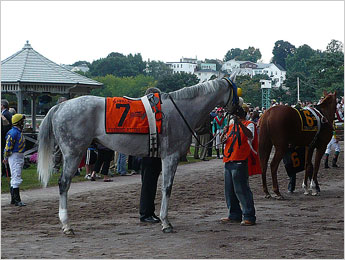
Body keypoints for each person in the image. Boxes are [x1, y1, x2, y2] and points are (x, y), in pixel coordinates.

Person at [220, 105, 258, 226]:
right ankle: (234, 214)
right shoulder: (230, 126)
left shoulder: (249, 124)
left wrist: (240, 124)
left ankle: (249, 216)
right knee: (229, 191)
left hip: (240, 159)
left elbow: (250, 135)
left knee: (242, 189)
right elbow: (223, 141)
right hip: (229, 159)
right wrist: (223, 134)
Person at [139, 87, 163, 224]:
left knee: (149, 183)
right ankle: (146, 213)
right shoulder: (150, 114)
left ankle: (149, 211)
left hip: (149, 152)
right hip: (151, 152)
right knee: (149, 183)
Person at [3, 114, 26, 206]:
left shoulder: (18, 131)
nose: (23, 123)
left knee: (15, 176)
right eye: (22, 121)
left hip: (19, 155)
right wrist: (5, 157)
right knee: (16, 176)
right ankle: (17, 200)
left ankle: (14, 199)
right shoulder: (13, 133)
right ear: (18, 122)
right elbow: (8, 146)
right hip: (15, 156)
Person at [2, 99, 12, 178]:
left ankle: (6, 172)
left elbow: (7, 126)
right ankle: (4, 171)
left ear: (2, 106)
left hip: (5, 136)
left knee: (5, 154)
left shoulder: (6, 114)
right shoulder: (5, 113)